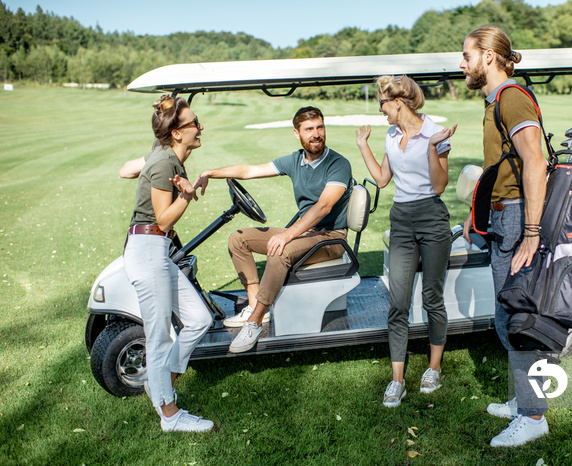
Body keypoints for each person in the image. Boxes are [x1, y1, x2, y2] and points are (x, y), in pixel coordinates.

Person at [193, 106, 353, 353]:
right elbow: (249, 170)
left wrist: (288, 234)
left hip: (330, 238)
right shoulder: (294, 160)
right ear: (296, 133)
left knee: (280, 250)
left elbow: (324, 207)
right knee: (239, 239)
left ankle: (255, 321)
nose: (316, 134)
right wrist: (210, 173)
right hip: (305, 233)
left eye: (320, 127)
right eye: (309, 129)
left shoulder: (338, 163)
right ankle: (256, 303)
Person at [460, 26, 550, 446]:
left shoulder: (512, 98)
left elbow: (535, 163)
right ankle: (522, 399)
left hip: (517, 220)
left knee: (517, 320)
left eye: (467, 56)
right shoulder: (494, 100)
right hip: (501, 217)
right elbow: (499, 167)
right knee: (504, 316)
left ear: (490, 57)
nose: (461, 64)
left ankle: (533, 417)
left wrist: (532, 233)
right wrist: (475, 213)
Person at [355, 75, 457, 408]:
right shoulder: (390, 133)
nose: (381, 110)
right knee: (398, 301)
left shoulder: (436, 132)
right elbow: (383, 179)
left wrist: (430, 146)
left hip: (431, 216)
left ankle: (433, 367)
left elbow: (440, 185)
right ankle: (397, 379)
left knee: (431, 296)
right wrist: (363, 147)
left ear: (398, 102)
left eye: (382, 104)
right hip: (401, 218)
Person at [122, 95, 214, 432]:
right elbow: (162, 219)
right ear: (176, 133)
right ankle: (170, 415)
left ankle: (159, 382)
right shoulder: (164, 164)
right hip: (148, 248)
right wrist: (187, 197)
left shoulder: (164, 157)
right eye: (193, 124)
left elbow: (124, 171)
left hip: (155, 249)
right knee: (158, 337)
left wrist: (147, 167)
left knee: (199, 319)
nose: (200, 127)